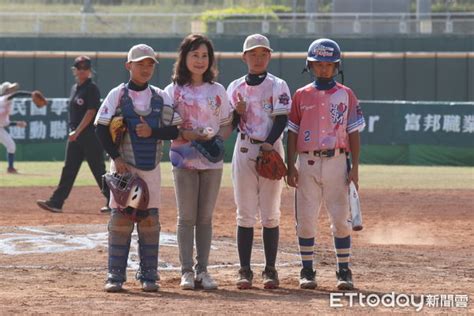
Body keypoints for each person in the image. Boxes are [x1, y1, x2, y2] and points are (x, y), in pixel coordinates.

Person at [95, 44, 182, 292]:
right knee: (121, 221)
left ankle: (149, 275)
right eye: (140, 64)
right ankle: (115, 275)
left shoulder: (160, 96)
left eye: (150, 64)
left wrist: (152, 131)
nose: (145, 68)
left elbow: (174, 129)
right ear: (128, 66)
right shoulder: (118, 95)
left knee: (149, 221)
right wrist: (115, 157)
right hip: (123, 166)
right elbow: (100, 128)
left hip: (150, 168)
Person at [287, 38, 365, 290]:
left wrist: (354, 169)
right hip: (307, 161)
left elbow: (353, 132)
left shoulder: (346, 94)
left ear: (336, 66)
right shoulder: (300, 95)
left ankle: (344, 270)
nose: (323, 68)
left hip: (337, 161)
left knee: (340, 219)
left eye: (328, 64)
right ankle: (307, 270)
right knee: (306, 219)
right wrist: (290, 164)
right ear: (309, 65)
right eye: (318, 64)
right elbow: (292, 133)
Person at [165, 34, 233, 290]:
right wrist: (188, 135)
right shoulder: (173, 91)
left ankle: (203, 271)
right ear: (184, 58)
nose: (200, 60)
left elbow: (226, 125)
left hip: (212, 163)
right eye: (195, 55)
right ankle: (186, 271)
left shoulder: (218, 90)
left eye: (205, 55)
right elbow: (168, 127)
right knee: (186, 218)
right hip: (183, 159)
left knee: (205, 218)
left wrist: (217, 140)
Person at [226, 34, 291, 290]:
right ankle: (245, 270)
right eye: (253, 53)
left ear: (269, 56)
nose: (258, 58)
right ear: (244, 57)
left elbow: (282, 119)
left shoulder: (278, 85)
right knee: (244, 213)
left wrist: (268, 144)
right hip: (244, 148)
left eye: (263, 53)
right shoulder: (234, 87)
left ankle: (270, 270)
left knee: (270, 214)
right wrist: (236, 113)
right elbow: (230, 125)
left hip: (271, 148)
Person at [36, 56, 110, 213]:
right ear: (74, 70)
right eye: (79, 67)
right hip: (76, 136)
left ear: (90, 71)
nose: (82, 70)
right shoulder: (75, 89)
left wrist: (77, 131)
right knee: (69, 169)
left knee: (98, 170)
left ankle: (114, 201)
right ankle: (56, 202)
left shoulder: (92, 88)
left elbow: (91, 112)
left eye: (86, 68)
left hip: (90, 135)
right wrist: (75, 133)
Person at [0, 82, 29, 174]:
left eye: (12, 89)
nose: (12, 91)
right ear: (5, 91)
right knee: (11, 146)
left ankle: (10, 168)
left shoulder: (7, 103)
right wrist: (31, 94)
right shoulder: (4, 99)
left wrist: (17, 123)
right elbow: (18, 94)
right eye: (9, 89)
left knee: (11, 146)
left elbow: (4, 123)